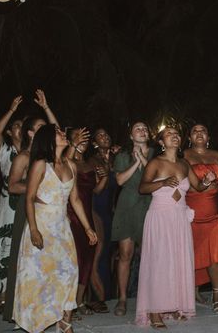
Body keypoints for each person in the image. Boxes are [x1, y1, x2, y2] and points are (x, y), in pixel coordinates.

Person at [13, 124, 98, 333]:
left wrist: (88, 227)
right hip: (41, 224)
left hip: (62, 227)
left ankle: (65, 321)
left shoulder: (71, 165)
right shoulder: (40, 164)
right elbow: (30, 198)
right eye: (59, 133)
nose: (64, 134)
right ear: (49, 139)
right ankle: (37, 325)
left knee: (68, 274)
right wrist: (33, 229)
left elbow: (75, 199)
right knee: (38, 277)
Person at [135, 127, 215, 328]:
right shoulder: (155, 163)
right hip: (160, 217)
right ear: (161, 141)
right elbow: (142, 188)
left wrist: (207, 180)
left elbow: (198, 187)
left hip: (179, 218)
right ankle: (154, 312)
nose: (175, 136)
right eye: (169, 134)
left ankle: (173, 305)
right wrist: (161, 182)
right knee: (159, 263)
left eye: (177, 134)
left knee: (177, 261)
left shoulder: (184, 164)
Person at [0, 90, 58, 313]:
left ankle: (29, 297)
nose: (18, 127)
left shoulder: (41, 154)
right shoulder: (8, 152)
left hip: (37, 206)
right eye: (16, 125)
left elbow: (56, 132)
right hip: (11, 205)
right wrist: (11, 110)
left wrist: (46, 107)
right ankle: (5, 294)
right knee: (9, 247)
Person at [2, 108, 57, 323]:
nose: (47, 131)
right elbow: (13, 186)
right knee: (24, 263)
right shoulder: (24, 157)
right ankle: (21, 312)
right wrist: (35, 187)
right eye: (40, 128)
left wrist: (46, 107)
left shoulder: (49, 157)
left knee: (47, 263)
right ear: (31, 133)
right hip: (27, 214)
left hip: (48, 214)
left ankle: (46, 310)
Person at [184, 124, 218, 312]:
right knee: (192, 254)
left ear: (208, 136)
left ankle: (217, 296)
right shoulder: (184, 156)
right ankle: (193, 291)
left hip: (215, 215)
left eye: (203, 130)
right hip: (191, 213)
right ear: (189, 137)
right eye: (195, 131)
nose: (199, 133)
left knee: (216, 254)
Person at [111, 121, 153, 316]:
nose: (142, 131)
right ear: (130, 135)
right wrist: (135, 161)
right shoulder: (122, 155)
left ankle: (148, 298)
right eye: (138, 128)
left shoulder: (155, 154)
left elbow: (154, 178)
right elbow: (119, 180)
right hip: (127, 206)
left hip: (149, 207)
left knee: (148, 255)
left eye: (145, 128)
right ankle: (122, 299)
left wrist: (143, 159)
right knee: (125, 254)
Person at [66, 127, 107, 317]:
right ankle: (67, 304)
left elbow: (96, 191)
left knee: (87, 260)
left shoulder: (90, 163)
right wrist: (72, 145)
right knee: (73, 260)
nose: (82, 142)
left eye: (84, 139)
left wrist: (104, 177)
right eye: (77, 138)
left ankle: (79, 300)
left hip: (87, 214)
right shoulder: (66, 161)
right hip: (70, 215)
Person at [89, 127, 120, 313]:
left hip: (111, 210)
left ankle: (107, 296)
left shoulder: (114, 159)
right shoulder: (93, 161)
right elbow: (96, 190)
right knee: (98, 254)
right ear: (94, 143)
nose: (105, 137)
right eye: (100, 135)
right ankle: (96, 298)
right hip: (97, 208)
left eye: (107, 134)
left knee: (109, 254)